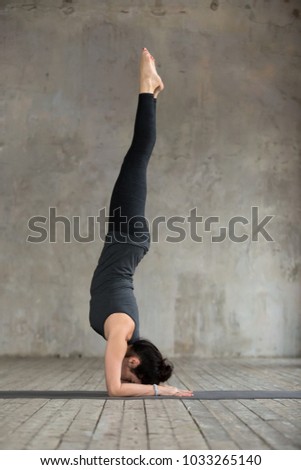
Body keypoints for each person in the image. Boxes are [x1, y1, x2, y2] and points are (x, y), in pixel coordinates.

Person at [89, 48, 193, 398]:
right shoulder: (121, 332)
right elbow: (114, 390)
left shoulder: (126, 332)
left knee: (137, 157)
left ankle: (152, 93)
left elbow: (119, 385)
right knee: (138, 154)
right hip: (127, 233)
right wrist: (163, 392)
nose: (123, 376)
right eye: (132, 376)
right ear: (132, 363)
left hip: (126, 237)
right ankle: (147, 88)